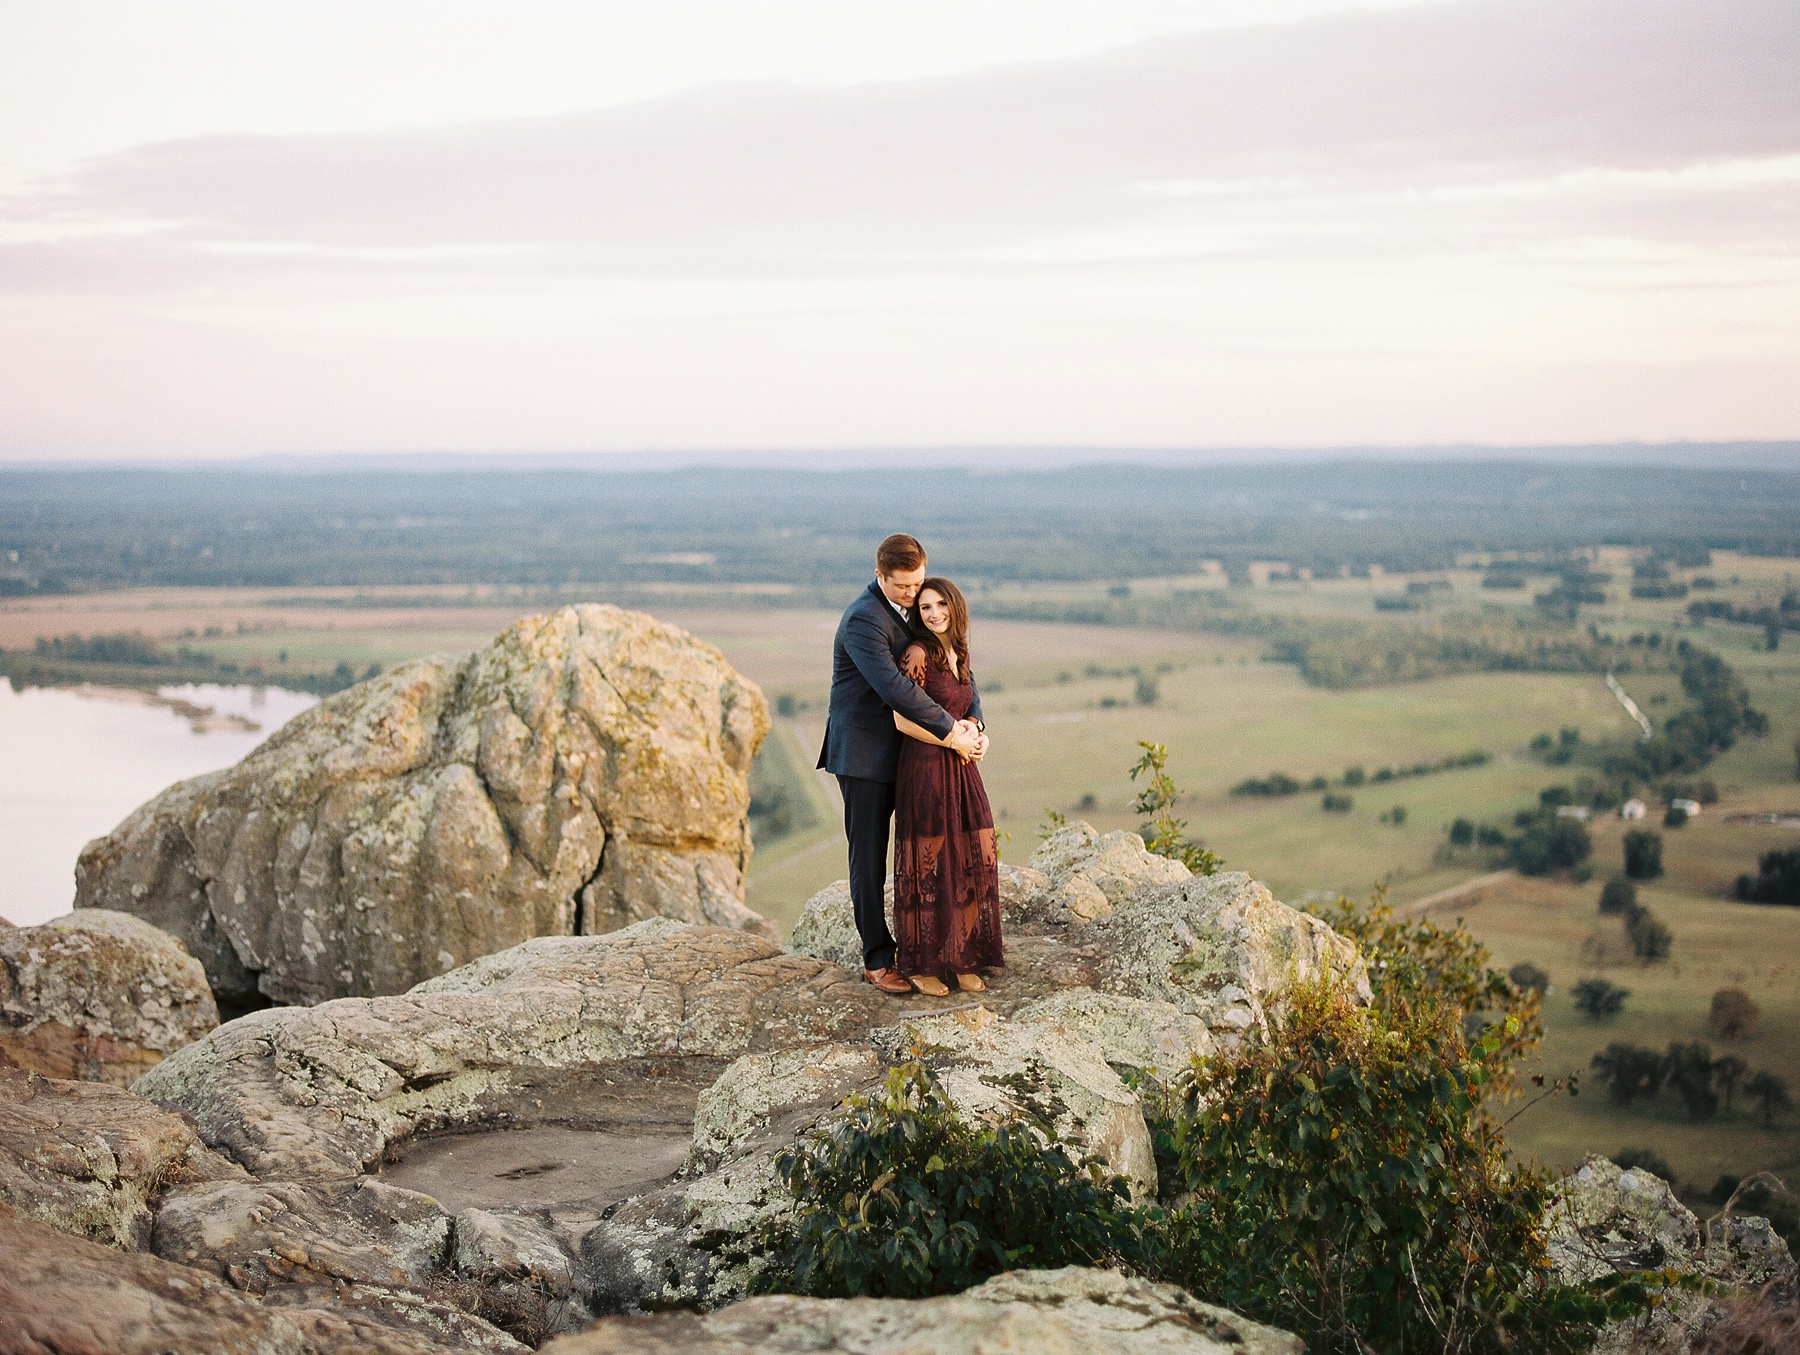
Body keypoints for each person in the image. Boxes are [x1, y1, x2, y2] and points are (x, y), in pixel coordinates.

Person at [819, 534, 987, 994]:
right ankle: (877, 958)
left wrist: (976, 723)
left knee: (925, 852)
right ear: (880, 576)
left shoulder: (915, 609)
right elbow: (896, 690)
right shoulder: (862, 621)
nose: (913, 595)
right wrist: (953, 733)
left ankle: (935, 950)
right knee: (868, 858)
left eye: (916, 584)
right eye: (902, 587)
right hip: (865, 756)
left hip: (915, 754)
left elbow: (954, 666)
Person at [891, 577, 1003, 995]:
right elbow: (902, 719)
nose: (934, 613)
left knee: (973, 857)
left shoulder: (959, 652)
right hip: (925, 766)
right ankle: (923, 965)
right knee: (930, 865)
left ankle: (961, 956)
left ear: (955, 607)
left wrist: (977, 733)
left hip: (961, 768)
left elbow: (968, 705)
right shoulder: (918, 653)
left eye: (941, 605)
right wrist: (953, 739)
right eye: (924, 608)